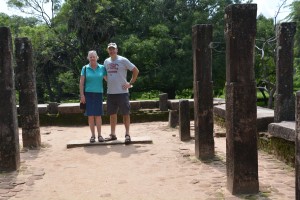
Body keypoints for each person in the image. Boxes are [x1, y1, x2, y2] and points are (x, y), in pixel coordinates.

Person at [104, 42, 139, 144]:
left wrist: (130, 83)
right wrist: (108, 80)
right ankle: (113, 134)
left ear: (117, 50)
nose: (112, 51)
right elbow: (104, 73)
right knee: (112, 114)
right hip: (110, 92)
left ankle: (127, 134)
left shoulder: (123, 60)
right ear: (108, 51)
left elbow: (135, 70)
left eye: (113, 49)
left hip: (122, 92)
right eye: (110, 49)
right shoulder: (106, 61)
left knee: (126, 114)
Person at [80, 50, 107, 143]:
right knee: (90, 116)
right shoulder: (85, 68)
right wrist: (82, 95)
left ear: (97, 57)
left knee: (98, 115)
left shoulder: (102, 68)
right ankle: (93, 136)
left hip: (99, 94)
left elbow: (108, 79)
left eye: (93, 56)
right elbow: (81, 84)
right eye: (90, 56)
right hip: (88, 94)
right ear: (88, 58)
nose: (92, 58)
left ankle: (100, 135)